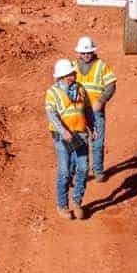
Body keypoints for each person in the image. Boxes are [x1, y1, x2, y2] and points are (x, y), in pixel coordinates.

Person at [44, 59, 95, 220]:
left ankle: (77, 201)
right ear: (64, 76)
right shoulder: (52, 92)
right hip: (62, 137)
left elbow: (87, 110)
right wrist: (63, 131)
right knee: (65, 171)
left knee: (83, 167)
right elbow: (51, 115)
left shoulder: (80, 89)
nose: (74, 74)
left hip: (80, 134)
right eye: (71, 73)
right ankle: (62, 205)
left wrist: (93, 128)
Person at [74, 36, 116, 180]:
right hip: (78, 113)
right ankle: (79, 172)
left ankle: (98, 170)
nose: (86, 55)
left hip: (96, 112)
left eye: (89, 52)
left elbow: (111, 85)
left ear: (93, 52)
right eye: (83, 53)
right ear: (78, 53)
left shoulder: (102, 65)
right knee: (79, 143)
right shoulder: (73, 67)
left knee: (97, 142)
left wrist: (102, 100)